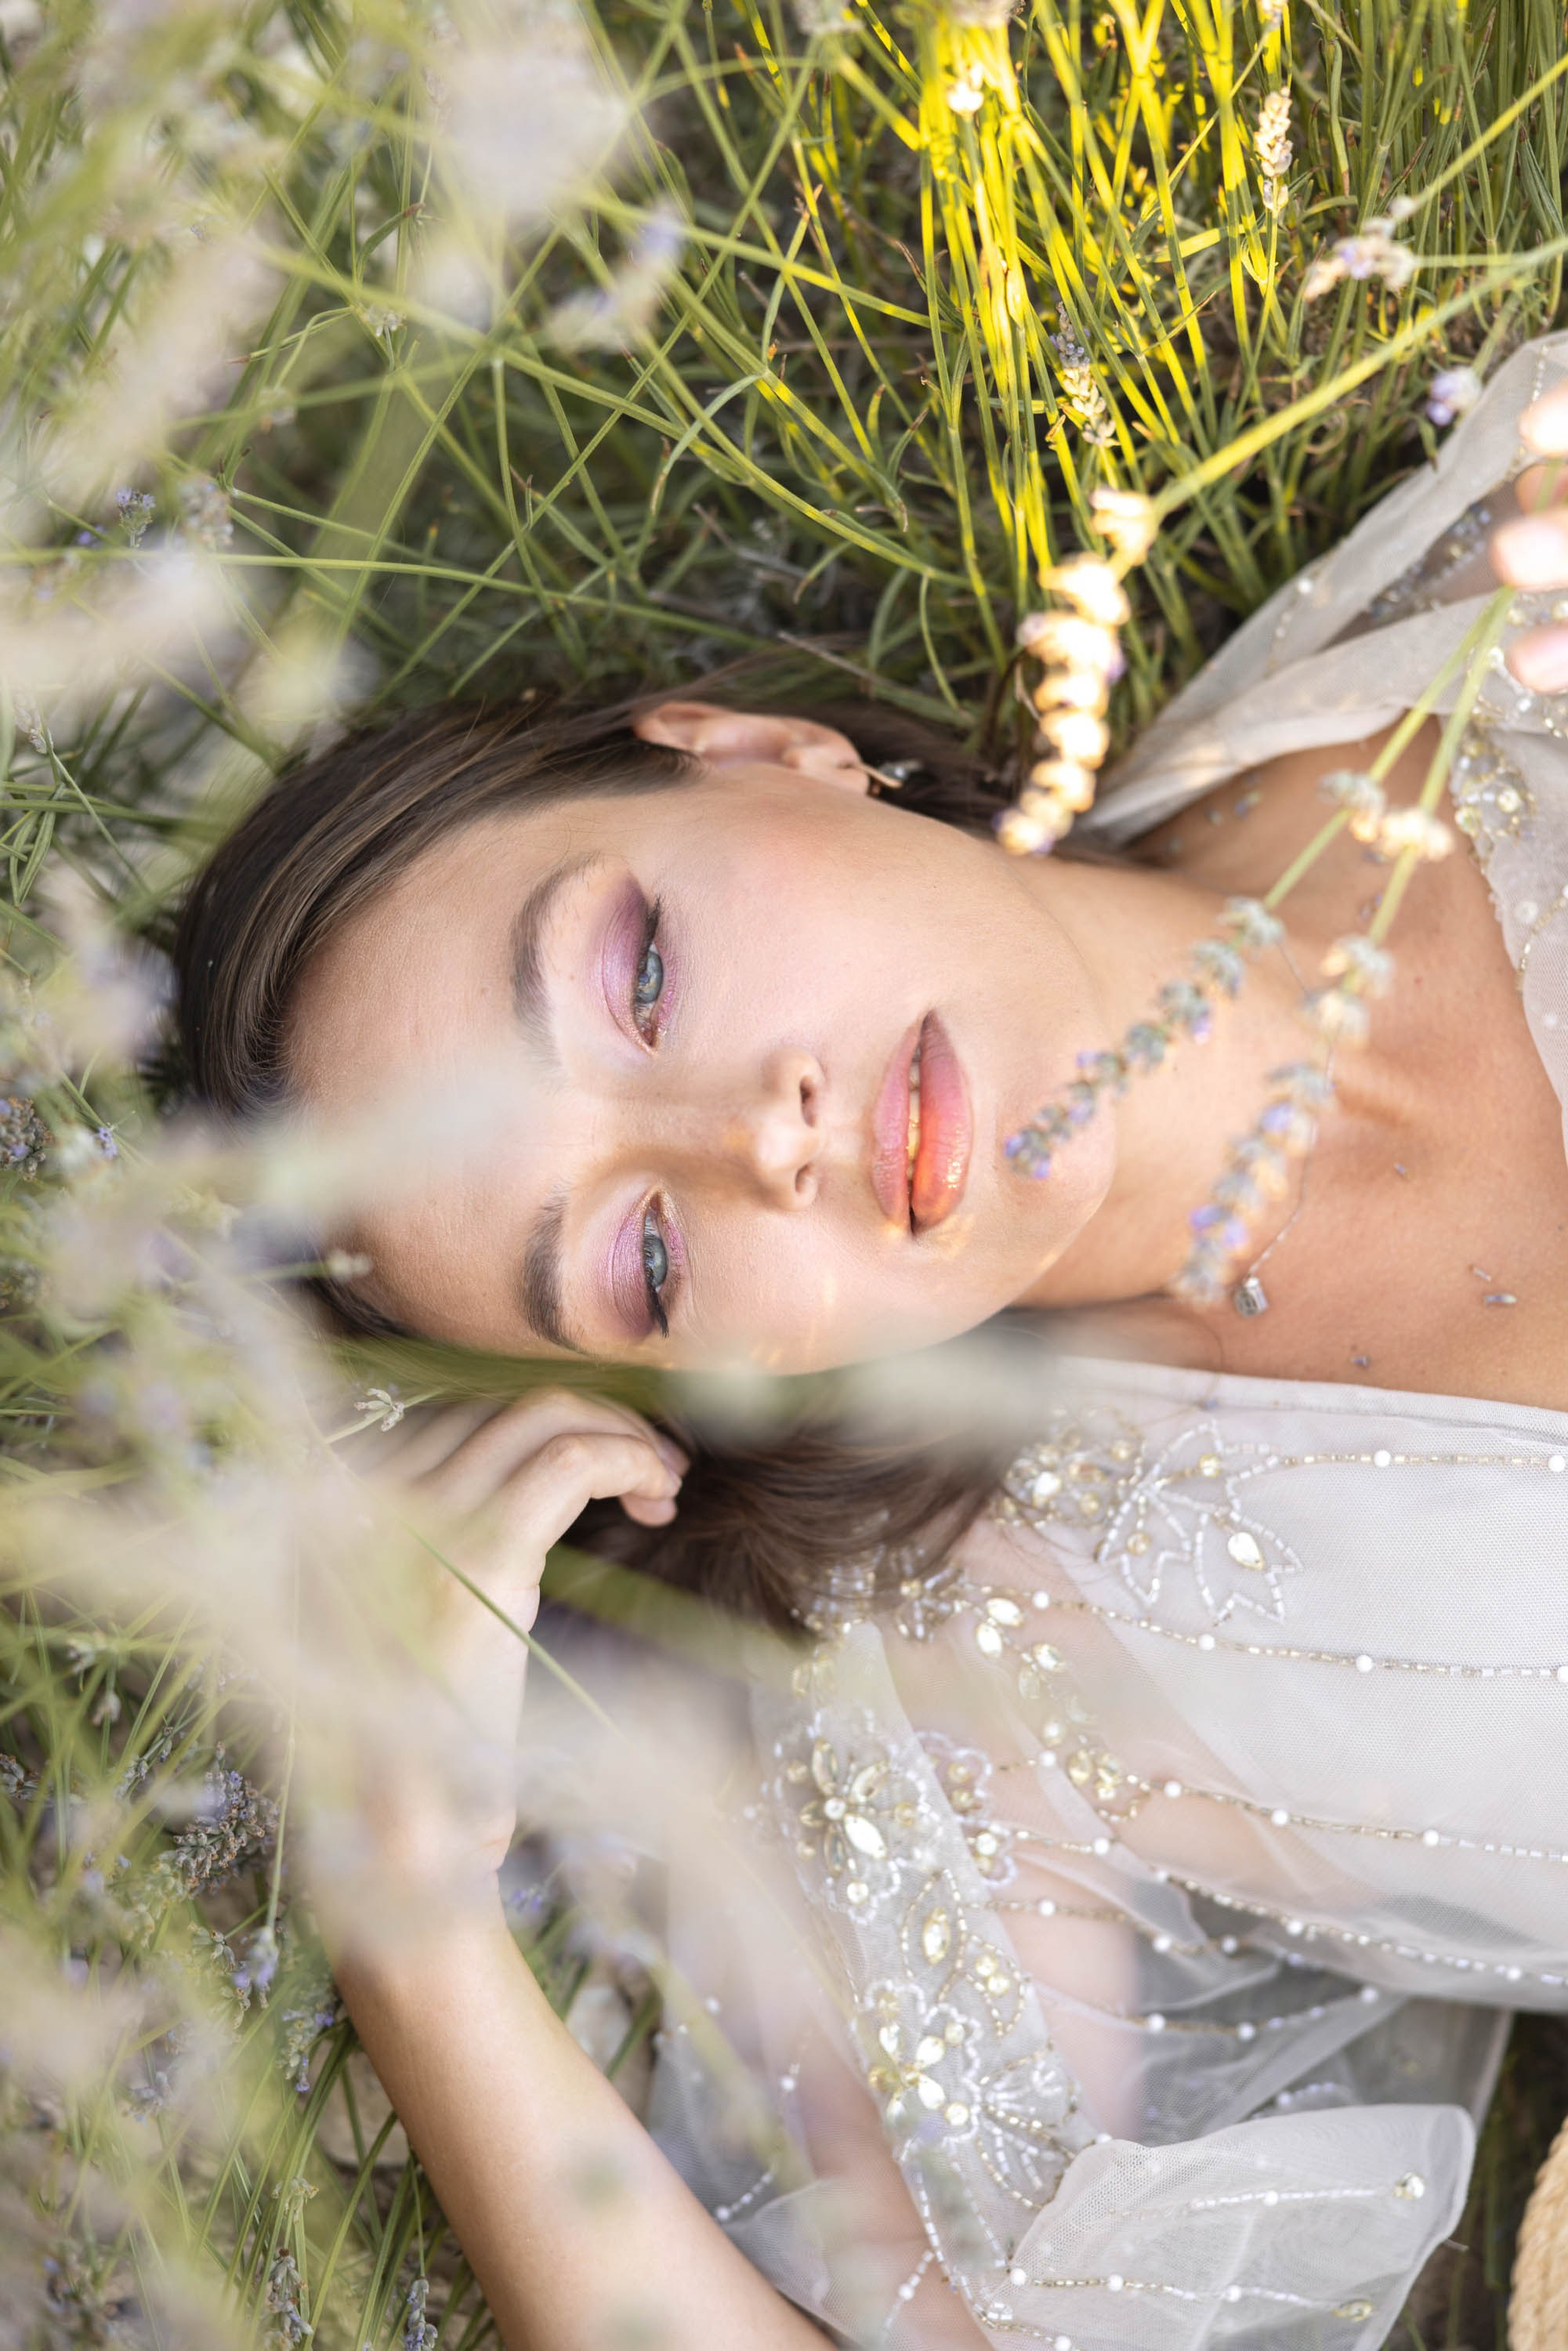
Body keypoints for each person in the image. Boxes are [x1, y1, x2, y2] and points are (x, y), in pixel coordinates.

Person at [174, 332, 1568, 2348]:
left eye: (637, 970)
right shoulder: (994, 1697)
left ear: (753, 750)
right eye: (643, 1258)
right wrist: (416, 1941)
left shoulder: (1481, 635)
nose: (757, 1135)